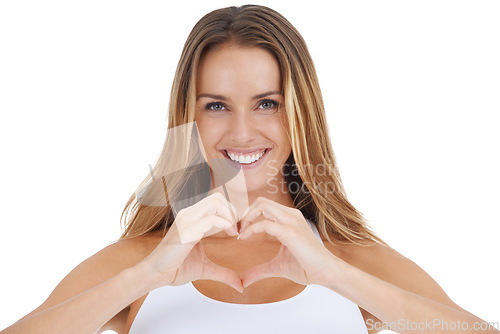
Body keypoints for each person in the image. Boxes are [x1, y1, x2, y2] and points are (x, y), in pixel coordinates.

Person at [2, 4, 498, 334]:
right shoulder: (142, 262)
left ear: (301, 113)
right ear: (188, 117)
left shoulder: (348, 258)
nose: (242, 133)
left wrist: (333, 275)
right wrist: (143, 278)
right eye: (217, 106)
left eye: (267, 103)